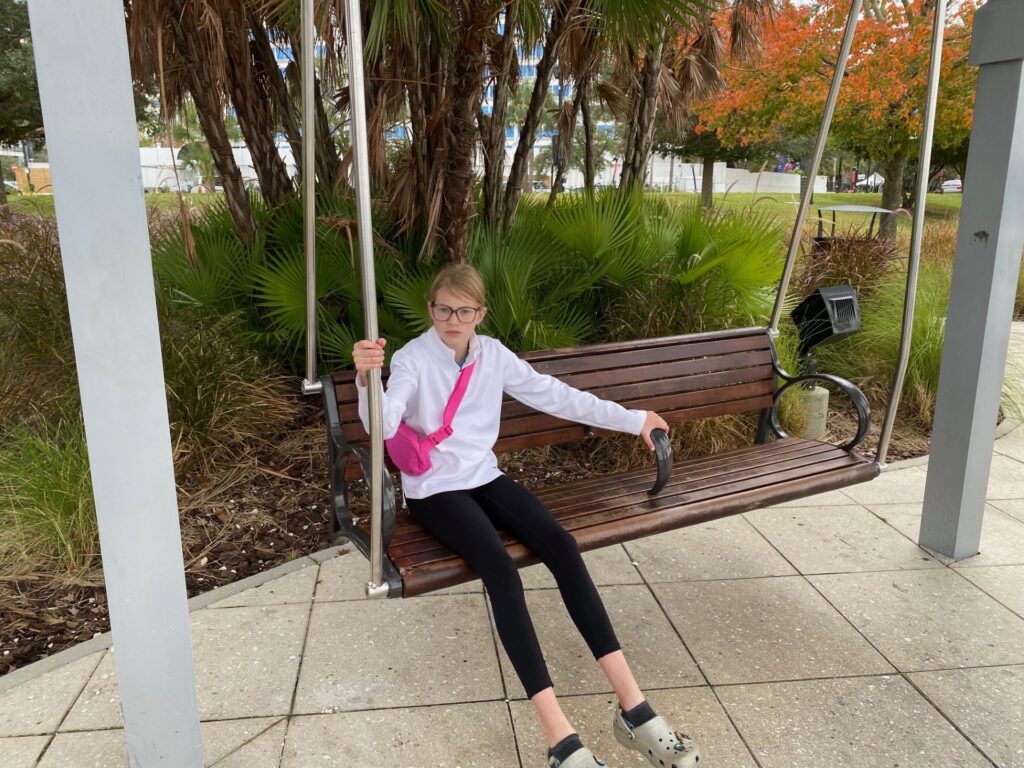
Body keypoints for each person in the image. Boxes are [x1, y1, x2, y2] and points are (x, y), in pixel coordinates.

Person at [352, 264, 701, 768]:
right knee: (498, 566)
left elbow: (555, 395)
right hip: (434, 490)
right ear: (431, 309)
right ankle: (562, 740)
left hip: (482, 477)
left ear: (480, 313)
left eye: (464, 310)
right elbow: (380, 423)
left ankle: (635, 709)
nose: (454, 319)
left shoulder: (492, 355)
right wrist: (368, 380)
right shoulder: (412, 359)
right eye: (444, 309)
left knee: (560, 544)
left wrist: (633, 420)